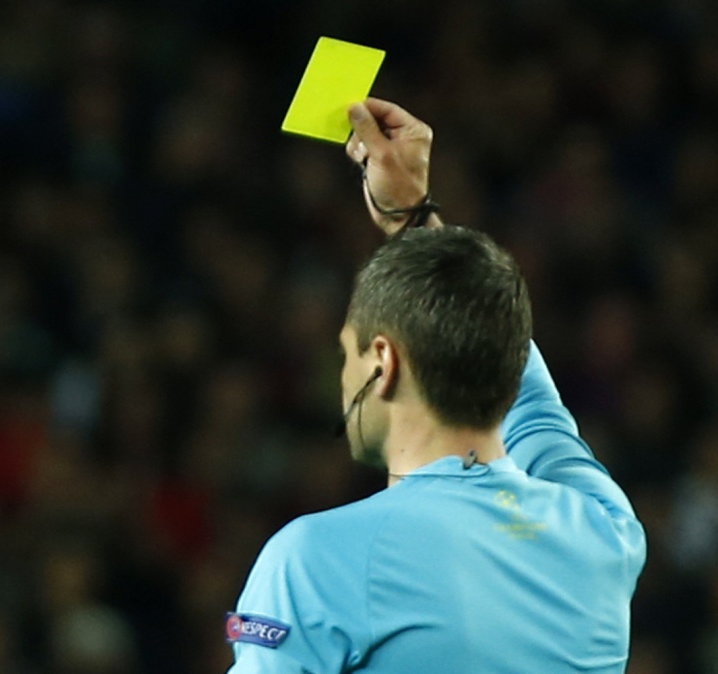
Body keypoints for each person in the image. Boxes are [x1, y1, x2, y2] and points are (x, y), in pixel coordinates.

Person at [224, 99, 647, 673]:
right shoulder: (603, 531)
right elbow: (531, 396)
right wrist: (413, 215)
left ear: (383, 360)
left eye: (346, 352)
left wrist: (413, 217)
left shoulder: (317, 561)